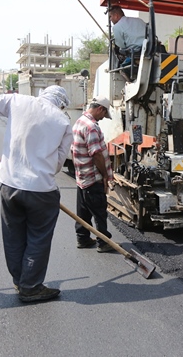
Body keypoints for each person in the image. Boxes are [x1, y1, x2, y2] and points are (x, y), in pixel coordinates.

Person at [0, 85, 73, 303]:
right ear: (61, 105)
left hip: (10, 184)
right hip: (41, 190)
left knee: (13, 235)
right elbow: (59, 162)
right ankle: (30, 287)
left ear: (42, 95)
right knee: (38, 238)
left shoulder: (18, 101)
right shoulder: (63, 121)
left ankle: (20, 279)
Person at [71, 95, 115, 253]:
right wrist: (105, 175)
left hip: (82, 176)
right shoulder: (91, 127)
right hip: (92, 176)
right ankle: (103, 242)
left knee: (83, 210)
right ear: (100, 109)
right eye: (104, 114)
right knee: (99, 211)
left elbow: (73, 150)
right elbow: (96, 154)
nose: (103, 118)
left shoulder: (79, 122)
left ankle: (82, 238)